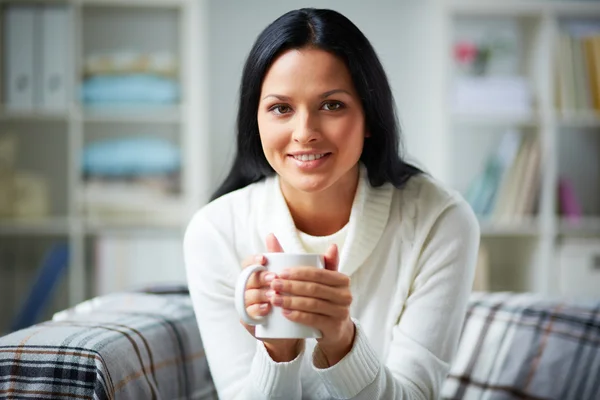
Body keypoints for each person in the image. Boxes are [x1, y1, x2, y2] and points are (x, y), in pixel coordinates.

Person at [184, 7, 480, 400]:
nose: (304, 132)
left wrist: (341, 341)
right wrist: (278, 349)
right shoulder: (216, 231)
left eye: (332, 105)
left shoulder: (440, 220)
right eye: (280, 108)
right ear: (255, 119)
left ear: (370, 116)